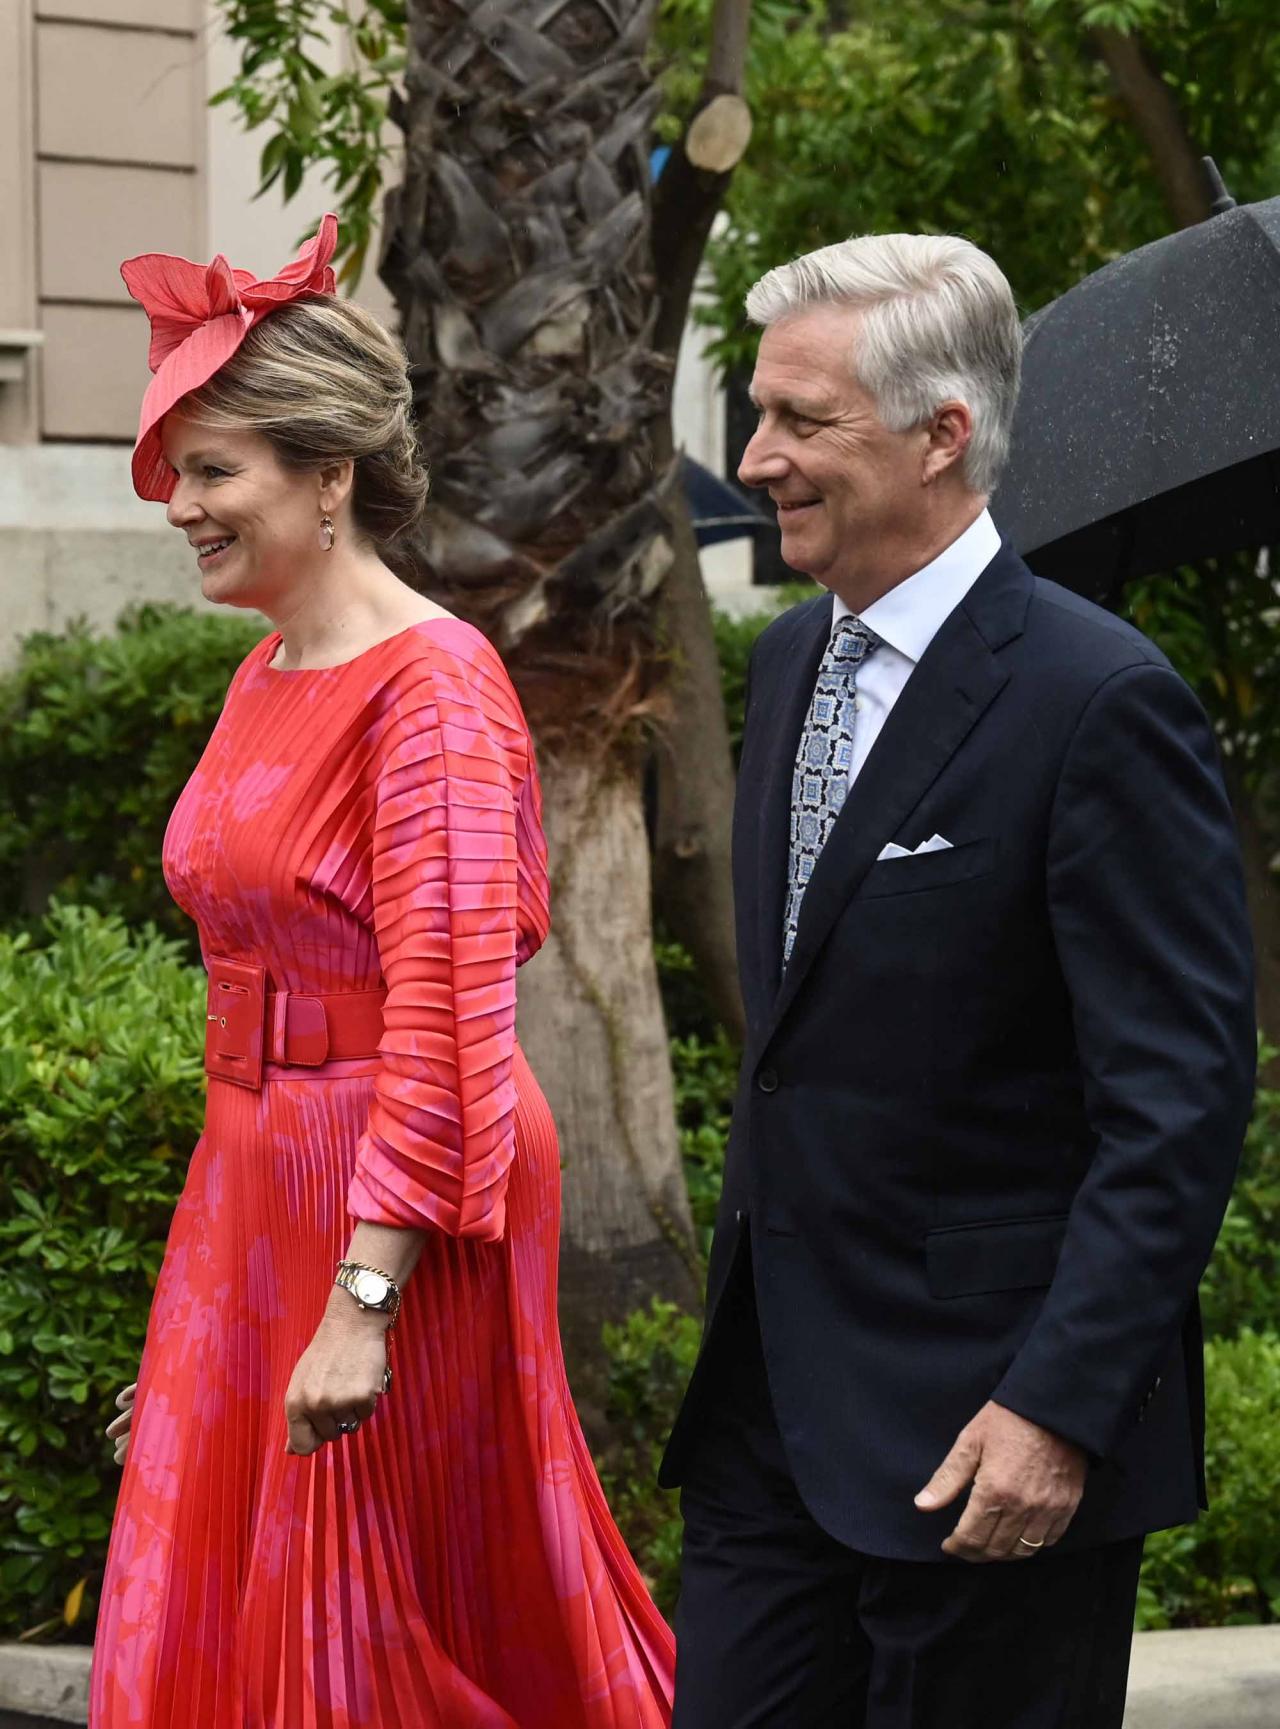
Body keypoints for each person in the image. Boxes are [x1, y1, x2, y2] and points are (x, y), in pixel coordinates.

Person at [659, 233, 1256, 1728]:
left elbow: (1174, 1105)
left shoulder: (1100, 699)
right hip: (771, 1432)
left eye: (805, 420)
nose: (758, 454)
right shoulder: (791, 664)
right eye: (763, 411)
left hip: (987, 1447)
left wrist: (1058, 1406)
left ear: (945, 436)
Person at [91, 217, 675, 1729]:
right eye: (177, 476)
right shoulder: (265, 666)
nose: (183, 507)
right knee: (258, 1593)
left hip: (397, 1198)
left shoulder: (435, 686)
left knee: (384, 1613)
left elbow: (450, 1028)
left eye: (214, 470)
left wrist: (364, 1298)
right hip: (257, 1169)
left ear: (329, 474)